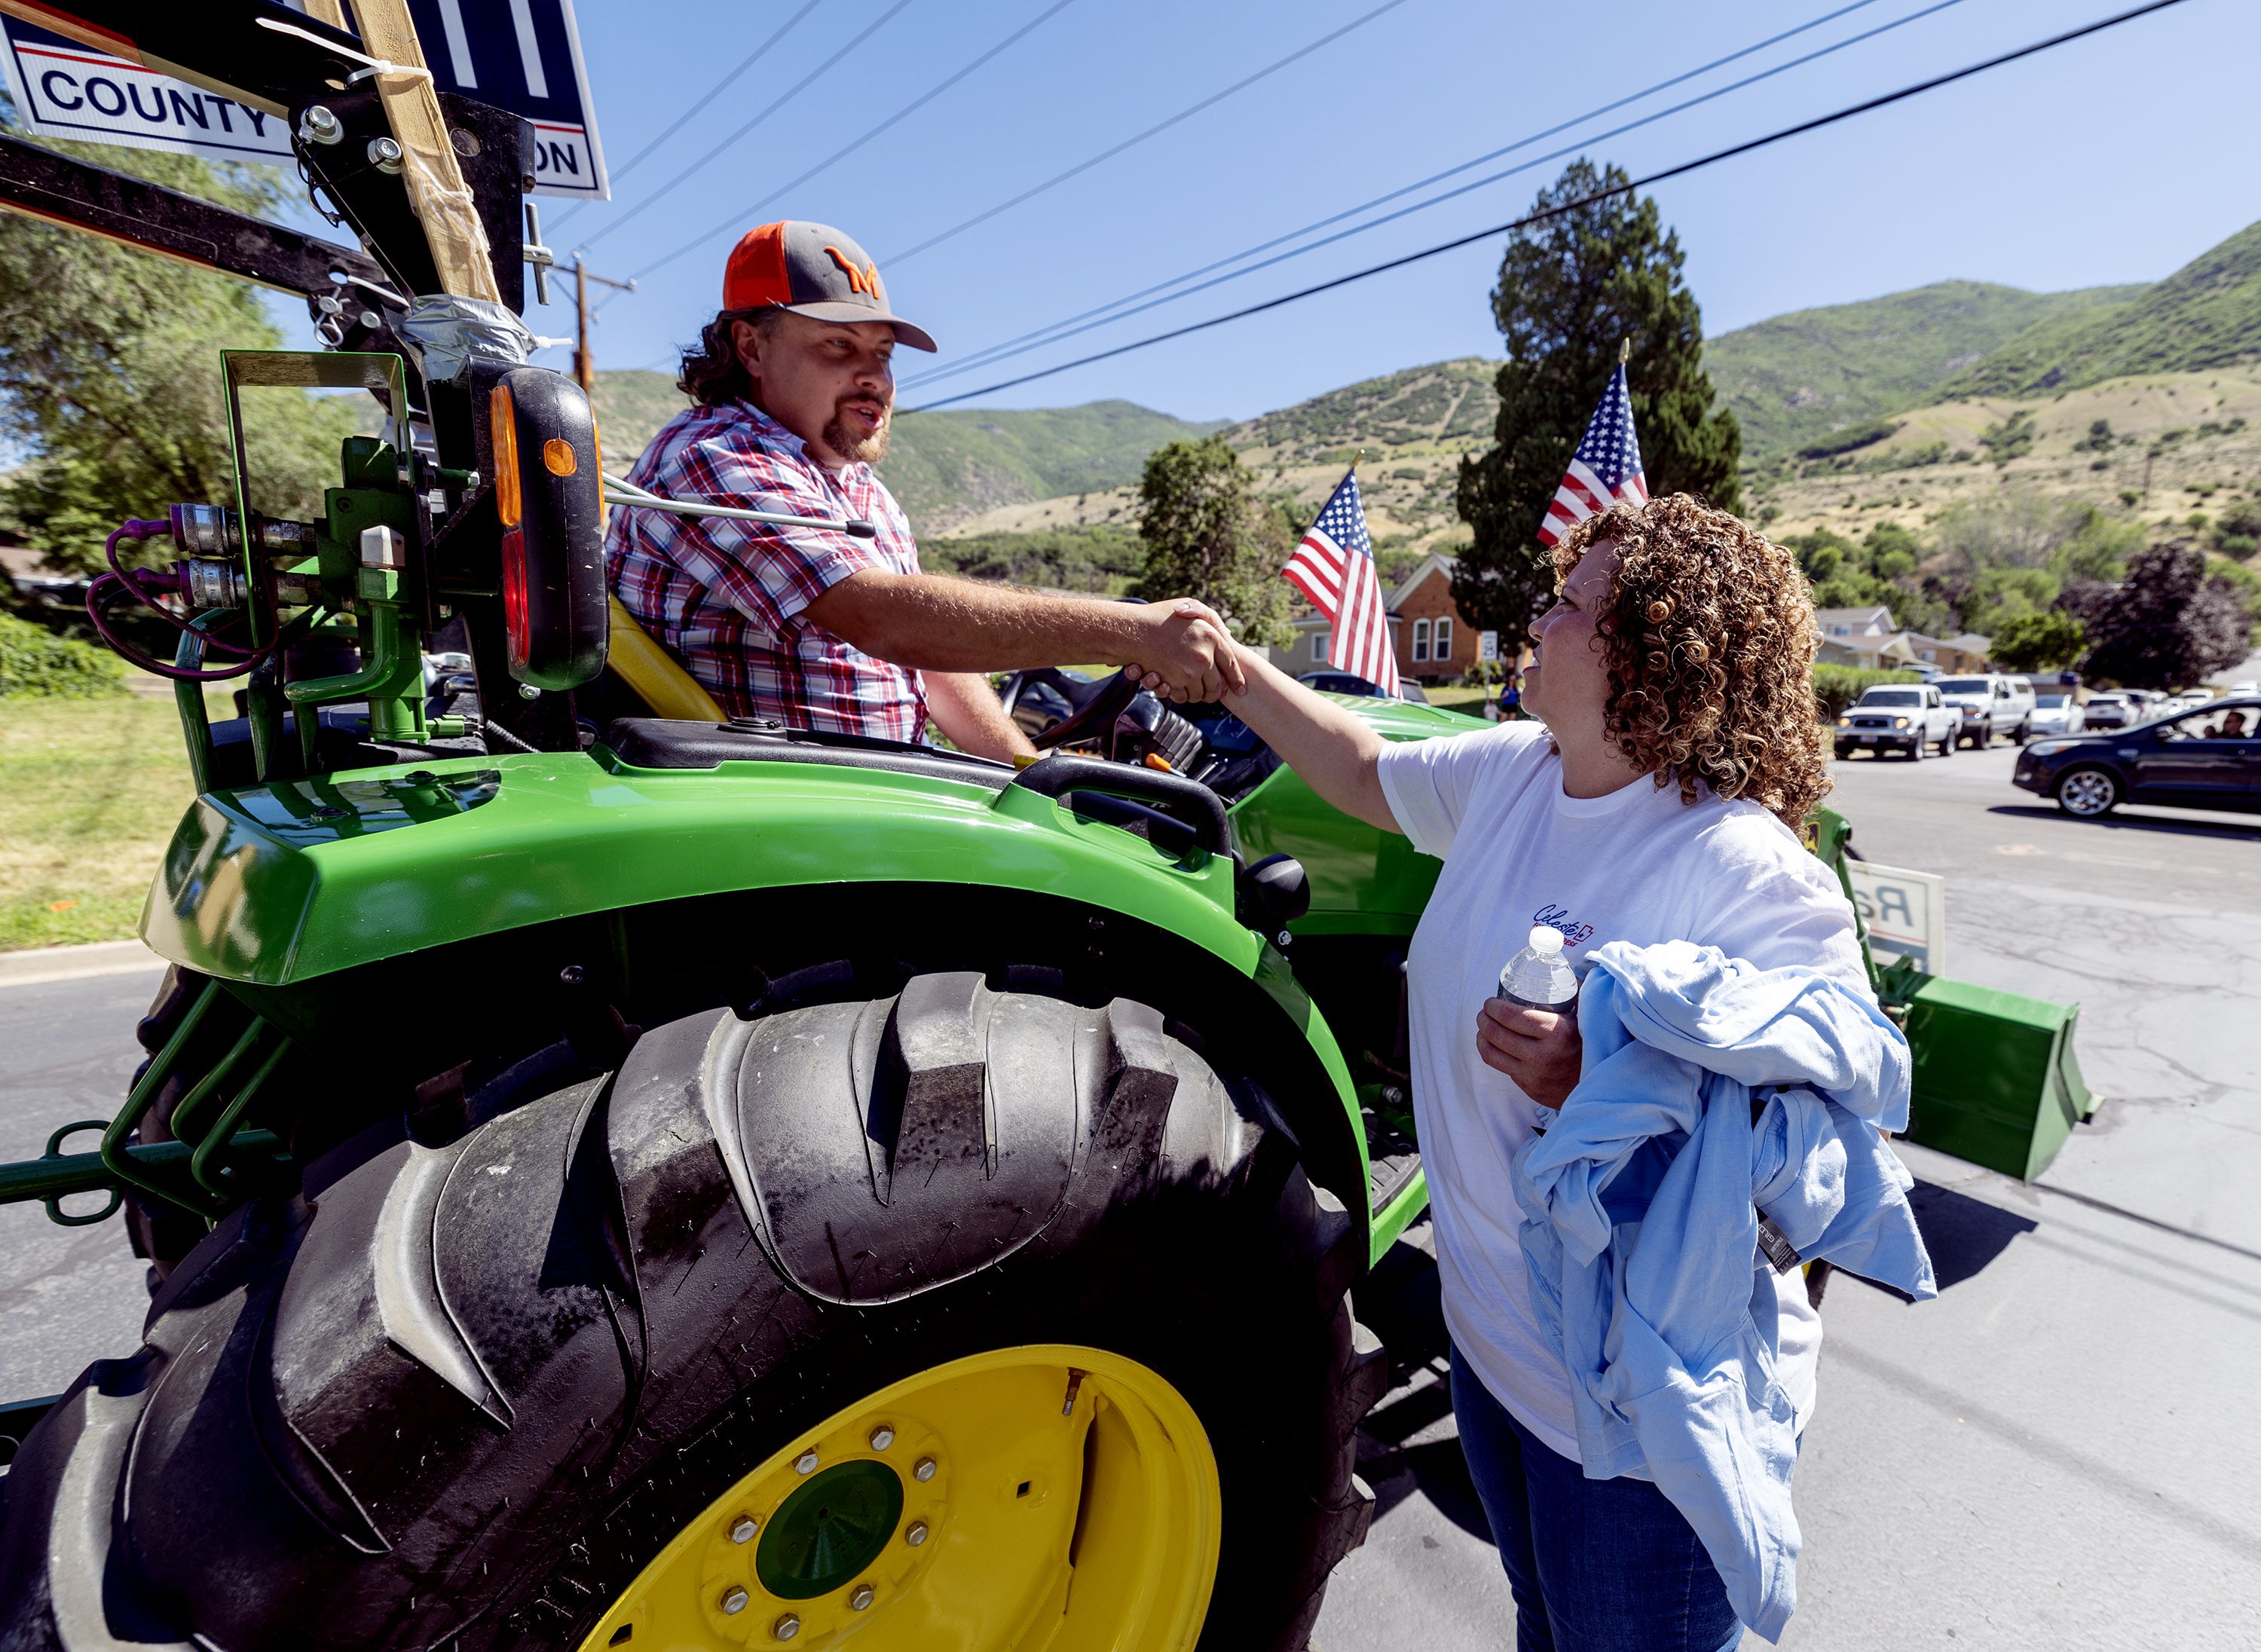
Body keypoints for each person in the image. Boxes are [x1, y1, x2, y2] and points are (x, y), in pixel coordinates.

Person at [1161, 494, 1870, 1650]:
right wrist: (1234, 669)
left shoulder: (1748, 874)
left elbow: (1831, 1172)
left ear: (1650, 647)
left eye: (1571, 604)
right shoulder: (1517, 775)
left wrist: (1618, 1082)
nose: (1539, 619)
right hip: (1496, 1355)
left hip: (1646, 1424)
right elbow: (1361, 767)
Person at [605, 220, 1243, 760]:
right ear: (750, 347)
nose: (874, 378)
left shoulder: (860, 491)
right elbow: (881, 618)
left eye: (883, 354)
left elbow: (933, 666)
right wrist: (1130, 631)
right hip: (765, 814)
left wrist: (1027, 773)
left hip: (870, 800)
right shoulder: (711, 458)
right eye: (839, 345)